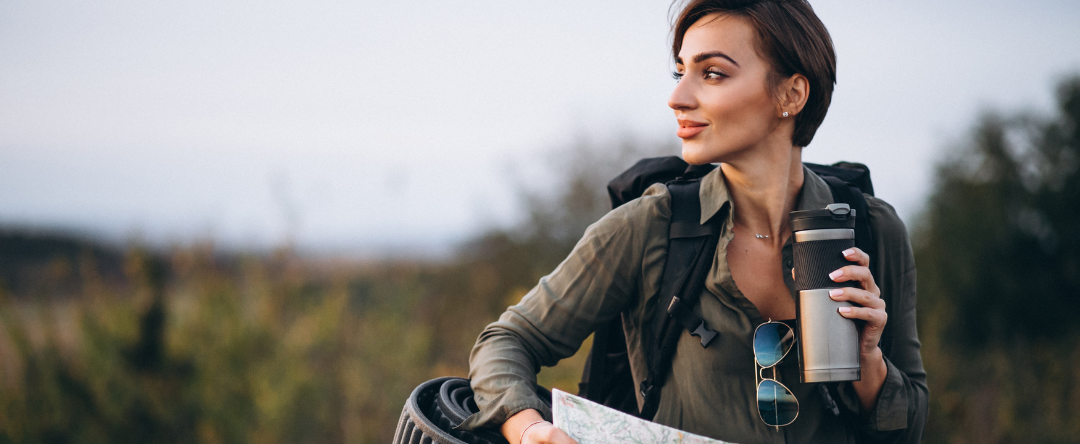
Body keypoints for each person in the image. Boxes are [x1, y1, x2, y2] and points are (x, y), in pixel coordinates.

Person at [458, 0, 928, 443]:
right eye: (680, 72)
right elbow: (506, 341)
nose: (677, 97)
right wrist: (529, 429)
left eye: (713, 73)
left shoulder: (871, 230)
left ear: (792, 93)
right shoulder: (650, 226)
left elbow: (909, 427)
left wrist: (869, 361)